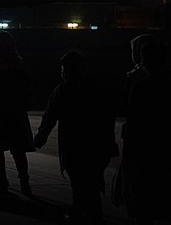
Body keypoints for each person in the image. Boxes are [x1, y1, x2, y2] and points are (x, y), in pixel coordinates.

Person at [33, 51, 118, 224]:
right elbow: (108, 117)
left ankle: (79, 214)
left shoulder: (62, 91)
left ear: (66, 70)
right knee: (92, 183)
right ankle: (94, 215)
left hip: (72, 146)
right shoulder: (96, 90)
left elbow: (49, 117)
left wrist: (40, 138)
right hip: (95, 146)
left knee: (78, 184)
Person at [117, 34, 171, 224]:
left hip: (144, 149)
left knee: (143, 199)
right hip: (163, 147)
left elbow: (131, 117)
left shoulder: (140, 86)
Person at [0, 30, 35, 196]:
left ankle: (0, 183)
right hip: (16, 112)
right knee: (19, 151)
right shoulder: (19, 64)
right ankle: (24, 183)